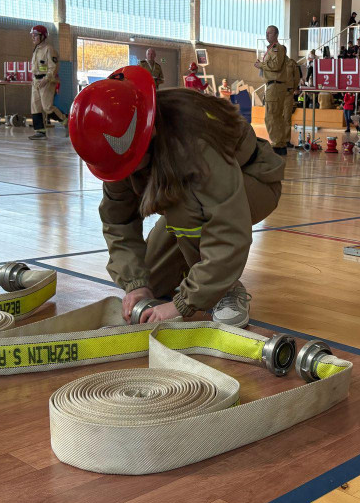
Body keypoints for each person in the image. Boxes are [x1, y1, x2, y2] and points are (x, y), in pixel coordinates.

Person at [70, 65, 284, 328]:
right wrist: (136, 285)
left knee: (186, 211)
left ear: (147, 135)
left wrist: (184, 302)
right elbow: (118, 221)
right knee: (154, 280)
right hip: (195, 198)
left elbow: (228, 228)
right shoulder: (120, 144)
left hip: (253, 180)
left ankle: (226, 291)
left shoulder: (193, 142)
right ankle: (205, 279)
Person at [26, 25, 66, 139]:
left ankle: (64, 120)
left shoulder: (49, 49)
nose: (33, 37)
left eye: (35, 35)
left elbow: (53, 67)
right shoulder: (36, 49)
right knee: (35, 106)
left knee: (47, 107)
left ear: (43, 36)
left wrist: (46, 79)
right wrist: (34, 80)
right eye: (32, 35)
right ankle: (40, 131)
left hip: (47, 81)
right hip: (36, 81)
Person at [255, 25, 288, 155]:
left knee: (271, 116)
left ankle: (277, 143)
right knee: (276, 116)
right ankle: (279, 143)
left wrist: (261, 65)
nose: (267, 35)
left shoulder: (276, 49)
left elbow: (276, 65)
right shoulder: (271, 50)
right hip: (274, 85)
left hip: (274, 86)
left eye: (270, 33)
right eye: (266, 33)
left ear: (276, 35)